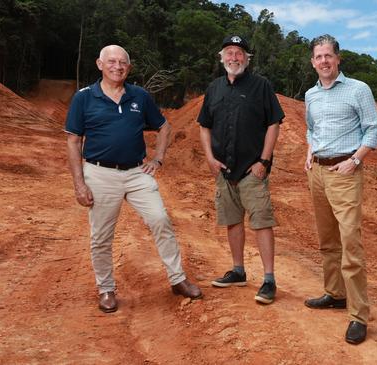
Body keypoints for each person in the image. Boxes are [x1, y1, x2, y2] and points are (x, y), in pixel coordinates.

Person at [65, 45, 202, 313]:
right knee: (102, 235)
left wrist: (158, 159)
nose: (117, 66)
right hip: (100, 172)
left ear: (129, 67)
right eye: (112, 61)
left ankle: (177, 280)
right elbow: (73, 141)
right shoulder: (83, 98)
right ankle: (106, 289)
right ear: (100, 64)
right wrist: (79, 183)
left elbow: (164, 127)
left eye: (123, 63)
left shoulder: (140, 96)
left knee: (160, 219)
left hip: (137, 172)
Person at [303, 34, 377, 344]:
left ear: (338, 59)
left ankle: (358, 315)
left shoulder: (358, 89)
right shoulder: (311, 94)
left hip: (345, 172)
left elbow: (372, 129)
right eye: (318, 57)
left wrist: (355, 161)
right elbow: (311, 127)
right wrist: (309, 150)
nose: (323, 61)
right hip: (318, 172)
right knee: (327, 240)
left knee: (350, 242)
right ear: (313, 62)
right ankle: (334, 294)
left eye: (328, 56)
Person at [197, 35, 284, 305]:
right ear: (221, 57)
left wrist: (264, 161)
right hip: (224, 169)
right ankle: (238, 271)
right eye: (229, 52)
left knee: (262, 222)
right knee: (233, 220)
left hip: (252, 169)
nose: (234, 57)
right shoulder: (214, 88)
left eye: (239, 53)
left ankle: (269, 279)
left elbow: (273, 123)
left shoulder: (261, 86)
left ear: (247, 59)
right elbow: (204, 125)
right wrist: (210, 158)